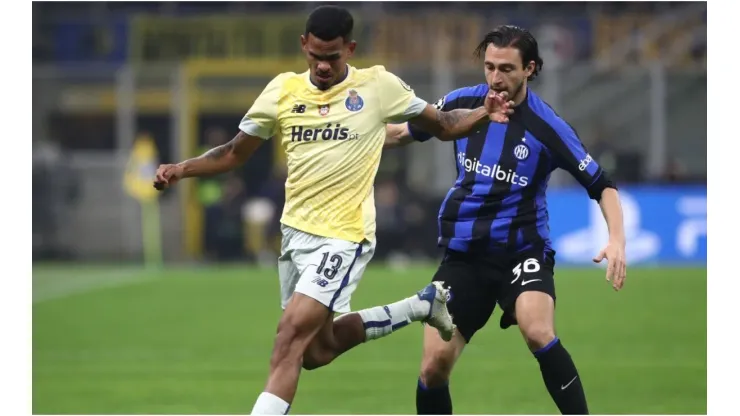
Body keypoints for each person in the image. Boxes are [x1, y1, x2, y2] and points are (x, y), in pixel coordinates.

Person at [153, 6, 514, 415]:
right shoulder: (282, 91)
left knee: (287, 339)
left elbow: (444, 123)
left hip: (345, 234)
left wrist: (486, 111)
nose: (323, 66)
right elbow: (235, 153)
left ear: (350, 48)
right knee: (315, 352)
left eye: (333, 57)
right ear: (304, 45)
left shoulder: (377, 86)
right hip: (295, 235)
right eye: (316, 56)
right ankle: (420, 306)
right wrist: (181, 169)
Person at [384, 25, 627, 415]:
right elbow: (402, 133)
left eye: (507, 69)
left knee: (537, 329)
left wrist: (617, 239)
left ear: (530, 69)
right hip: (464, 255)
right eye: (489, 66)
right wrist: (349, 139)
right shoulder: (462, 103)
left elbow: (603, 185)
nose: (496, 78)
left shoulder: (549, 128)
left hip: (522, 250)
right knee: (433, 368)